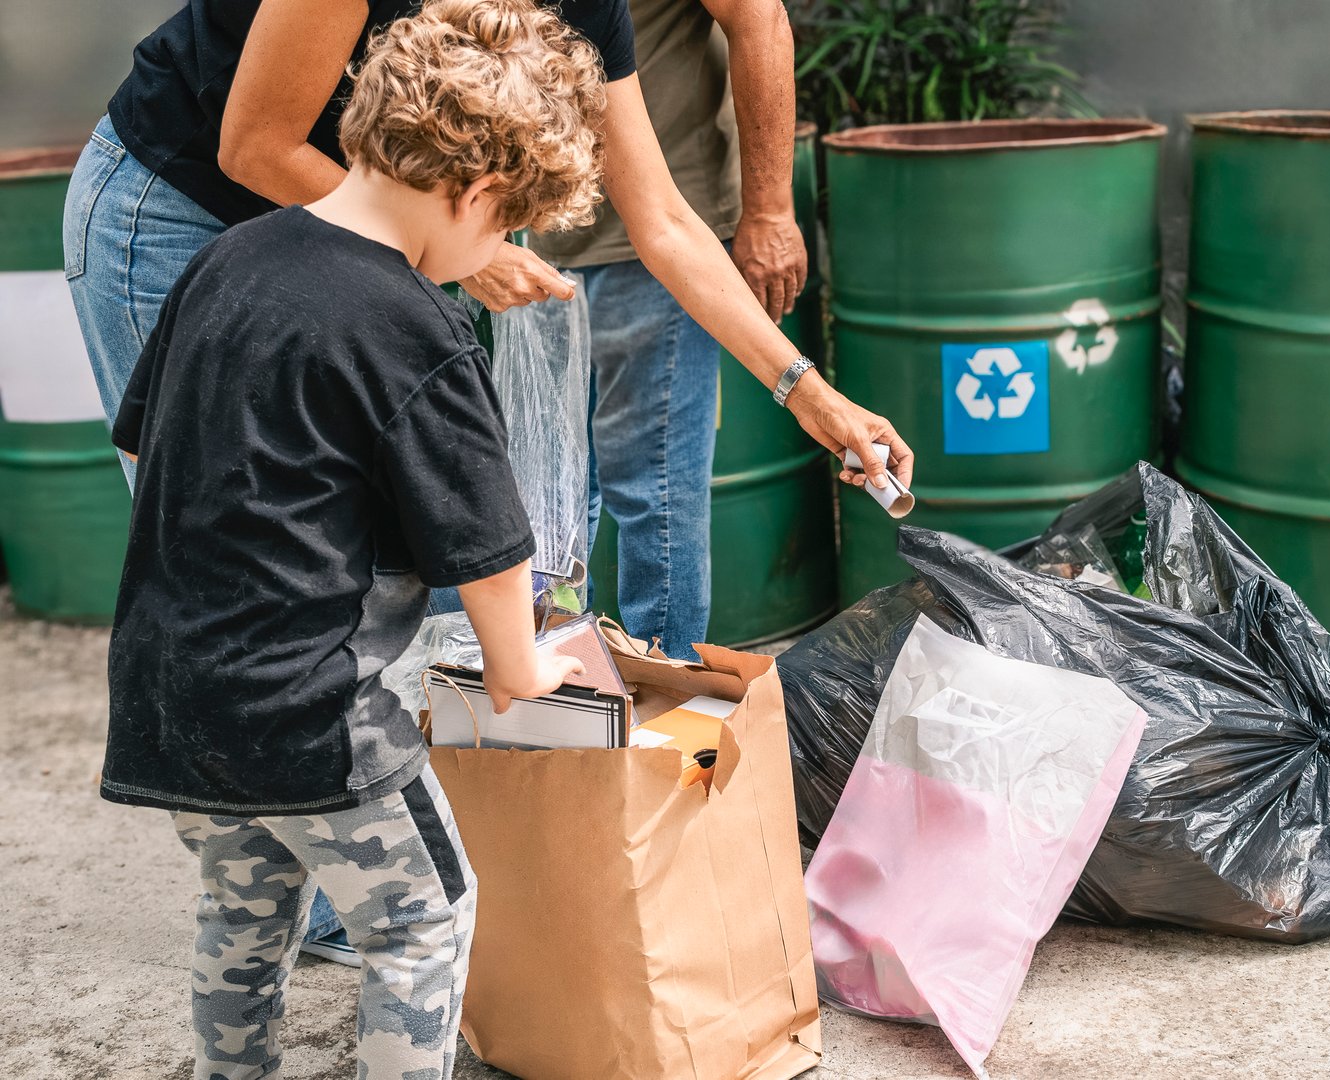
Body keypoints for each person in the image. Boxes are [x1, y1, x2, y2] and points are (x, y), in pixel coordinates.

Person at [65, 0, 912, 965]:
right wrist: (462, 250)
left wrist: (806, 393)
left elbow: (665, 219)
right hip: (186, 212)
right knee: (248, 577)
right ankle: (336, 893)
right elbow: (255, 142)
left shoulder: (588, 9)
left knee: (367, 581)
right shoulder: (419, 224)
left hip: (393, 228)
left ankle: (354, 888)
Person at [103, 4, 594, 1075]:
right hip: (315, 722)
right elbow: (487, 536)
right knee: (423, 921)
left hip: (170, 696)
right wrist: (519, 665)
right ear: (473, 194)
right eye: (507, 227)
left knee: (244, 912)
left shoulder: (226, 261)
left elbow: (146, 448)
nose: (498, 253)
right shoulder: (419, 327)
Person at [531, 0, 803, 661]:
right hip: (536, 237)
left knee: (653, 493)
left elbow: (759, 16)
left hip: (658, 238)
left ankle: (670, 695)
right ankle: (558, 692)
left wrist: (768, 211)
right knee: (549, 501)